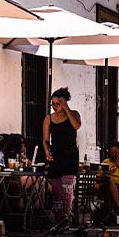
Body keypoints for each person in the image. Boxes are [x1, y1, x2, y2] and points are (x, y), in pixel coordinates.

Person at [43, 87, 81, 224]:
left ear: (64, 102)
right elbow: (46, 141)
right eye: (52, 104)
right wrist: (47, 151)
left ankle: (66, 220)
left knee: (68, 190)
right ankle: (58, 222)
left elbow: (76, 126)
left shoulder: (74, 114)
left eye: (57, 104)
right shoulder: (49, 119)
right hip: (56, 157)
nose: (54, 107)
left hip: (70, 157)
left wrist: (67, 108)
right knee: (57, 191)